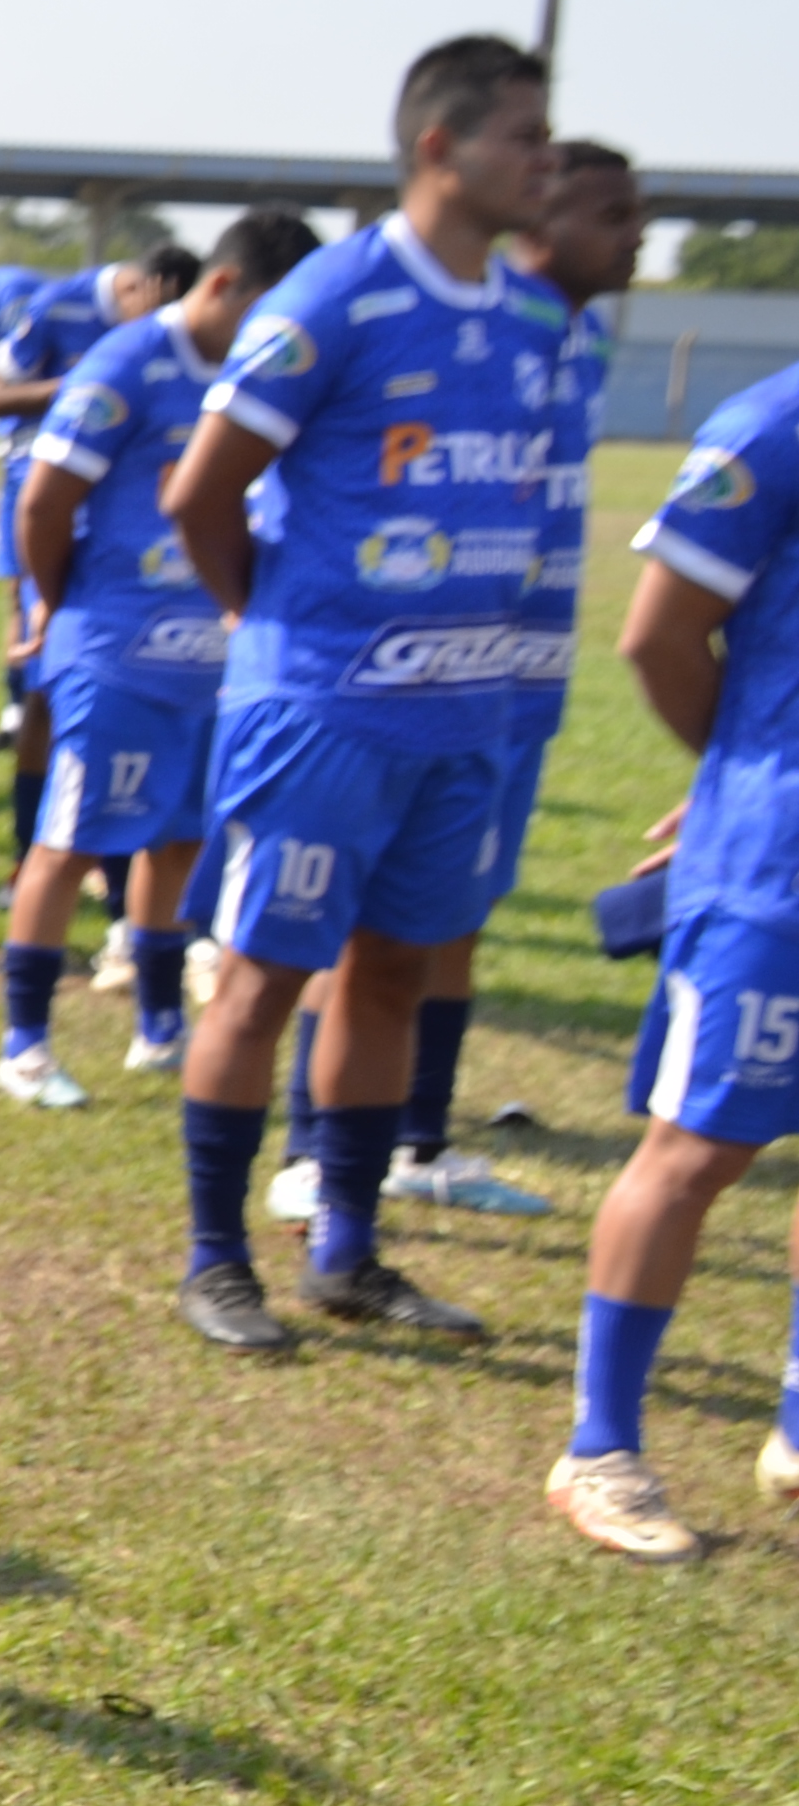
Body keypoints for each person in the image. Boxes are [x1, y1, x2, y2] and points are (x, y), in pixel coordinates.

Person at [158, 36, 566, 1355]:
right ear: (440, 148)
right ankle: (218, 1260)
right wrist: (271, 625)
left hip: (463, 715)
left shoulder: (527, 322)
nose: (545, 162)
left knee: (390, 975)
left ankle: (347, 1249)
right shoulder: (333, 297)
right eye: (526, 137)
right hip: (324, 706)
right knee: (264, 978)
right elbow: (199, 493)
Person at [303, 142, 648, 1222]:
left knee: (453, 915)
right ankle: (315, 1151)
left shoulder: (570, 335)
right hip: (398, 671)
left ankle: (416, 1137)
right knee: (363, 923)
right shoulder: (457, 317)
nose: (633, 231)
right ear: (535, 216)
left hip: (512, 669)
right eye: (608, 211)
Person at [542, 354, 799, 1558]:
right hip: (776, 869)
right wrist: (739, 773)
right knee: (695, 1150)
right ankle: (598, 1451)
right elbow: (656, 637)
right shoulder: (771, 423)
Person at [0, 208, 321, 1108]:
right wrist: (62, 605)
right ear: (222, 287)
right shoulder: (127, 364)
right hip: (115, 649)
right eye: (272, 312)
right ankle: (25, 1045)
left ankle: (158, 1025)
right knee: (71, 842)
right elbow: (43, 504)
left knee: (176, 839)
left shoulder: (270, 376)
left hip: (212, 657)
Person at [0, 244, 178, 861]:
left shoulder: (184, 344)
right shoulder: (56, 307)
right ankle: (27, 851)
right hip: (53, 511)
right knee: (46, 687)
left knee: (146, 690)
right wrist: (85, 390)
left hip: (137, 531)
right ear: (150, 287)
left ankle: (118, 861)